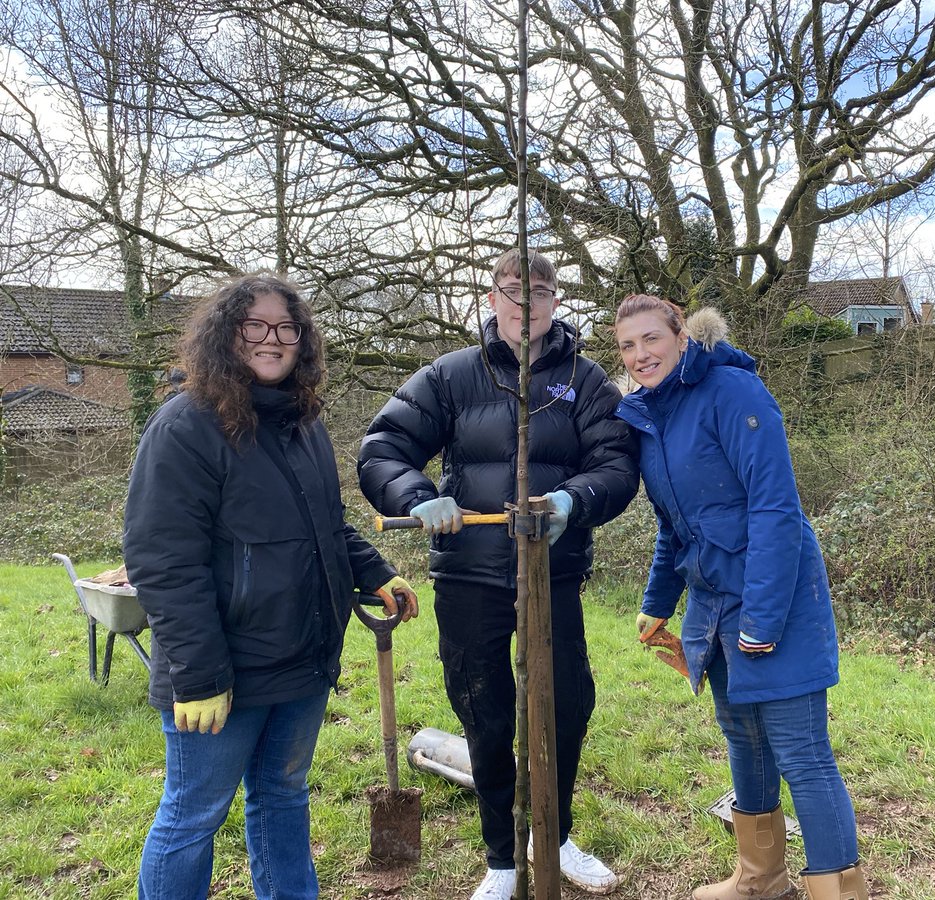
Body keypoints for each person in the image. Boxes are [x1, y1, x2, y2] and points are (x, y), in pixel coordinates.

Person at [124, 272, 417, 900]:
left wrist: (374, 571)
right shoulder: (185, 426)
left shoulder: (302, 423)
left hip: (302, 658)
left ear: (302, 341)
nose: (272, 339)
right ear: (225, 335)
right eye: (253, 326)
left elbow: (325, 525)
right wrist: (199, 676)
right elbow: (163, 562)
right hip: (223, 669)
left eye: (286, 328)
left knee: (283, 794)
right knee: (193, 815)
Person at [358, 249, 638, 900]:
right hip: (469, 576)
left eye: (539, 292)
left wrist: (573, 500)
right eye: (514, 291)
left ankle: (553, 838)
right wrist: (414, 497)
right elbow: (383, 448)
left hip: (552, 574)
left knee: (564, 706)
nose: (525, 303)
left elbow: (618, 465)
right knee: (483, 709)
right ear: (492, 299)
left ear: (555, 302)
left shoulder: (585, 379)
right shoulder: (452, 375)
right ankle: (502, 858)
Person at [613, 296, 868, 900]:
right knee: (744, 738)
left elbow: (776, 508)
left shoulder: (733, 392)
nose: (641, 354)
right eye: (627, 345)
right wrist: (658, 601)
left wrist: (763, 618)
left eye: (651, 338)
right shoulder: (649, 417)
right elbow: (674, 526)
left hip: (777, 596)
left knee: (801, 750)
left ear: (681, 336)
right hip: (712, 606)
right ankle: (761, 878)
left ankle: (838, 890)